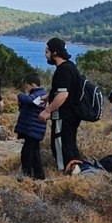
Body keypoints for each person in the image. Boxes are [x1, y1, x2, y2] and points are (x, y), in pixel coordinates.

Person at [38, 37, 83, 171]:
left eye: (47, 51)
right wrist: (48, 96)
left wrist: (47, 111)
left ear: (55, 53)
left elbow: (63, 94)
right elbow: (63, 89)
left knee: (61, 144)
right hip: (72, 114)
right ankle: (75, 170)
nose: (46, 55)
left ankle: (66, 171)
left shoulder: (63, 70)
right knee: (69, 143)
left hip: (64, 115)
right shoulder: (70, 66)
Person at [15, 73, 48, 180]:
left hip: (33, 129)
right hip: (34, 129)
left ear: (32, 85)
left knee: (27, 152)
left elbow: (31, 101)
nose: (26, 88)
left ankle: (27, 173)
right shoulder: (40, 94)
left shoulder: (39, 94)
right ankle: (39, 174)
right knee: (34, 152)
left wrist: (20, 95)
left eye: (27, 86)